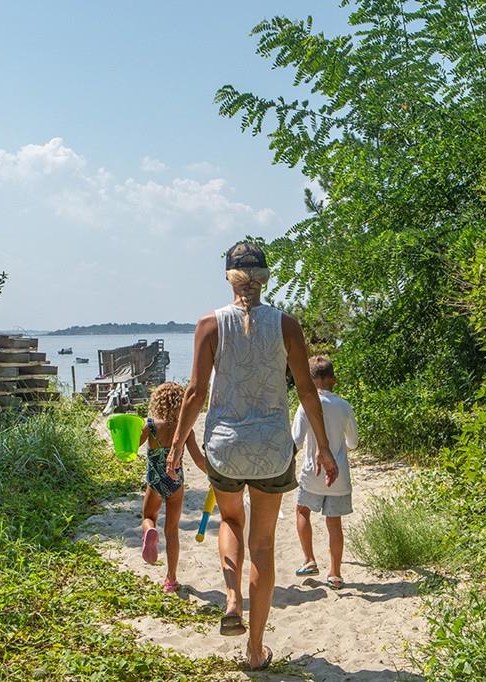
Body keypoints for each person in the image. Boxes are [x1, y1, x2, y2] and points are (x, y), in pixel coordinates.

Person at [165, 241, 338, 671]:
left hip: (224, 447)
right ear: (264, 279)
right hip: (272, 449)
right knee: (261, 544)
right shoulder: (286, 325)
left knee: (230, 521)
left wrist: (175, 447)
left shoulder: (209, 324)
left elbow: (195, 393)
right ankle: (256, 649)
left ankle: (230, 600)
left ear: (229, 277)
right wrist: (325, 448)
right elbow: (305, 390)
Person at [292, 355, 359, 590]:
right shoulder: (344, 405)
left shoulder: (305, 405)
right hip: (338, 476)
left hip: (313, 474)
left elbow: (296, 440)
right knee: (334, 523)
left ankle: (309, 559)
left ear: (309, 381)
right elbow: (353, 442)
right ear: (334, 380)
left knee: (302, 510)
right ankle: (335, 573)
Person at [138, 381, 207, 592]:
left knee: (148, 516)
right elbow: (199, 460)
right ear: (181, 403)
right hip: (175, 481)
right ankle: (171, 579)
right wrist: (214, 475)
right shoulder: (184, 430)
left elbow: (131, 447)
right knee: (172, 531)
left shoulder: (150, 426)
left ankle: (150, 531)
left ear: (157, 402)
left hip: (155, 479)